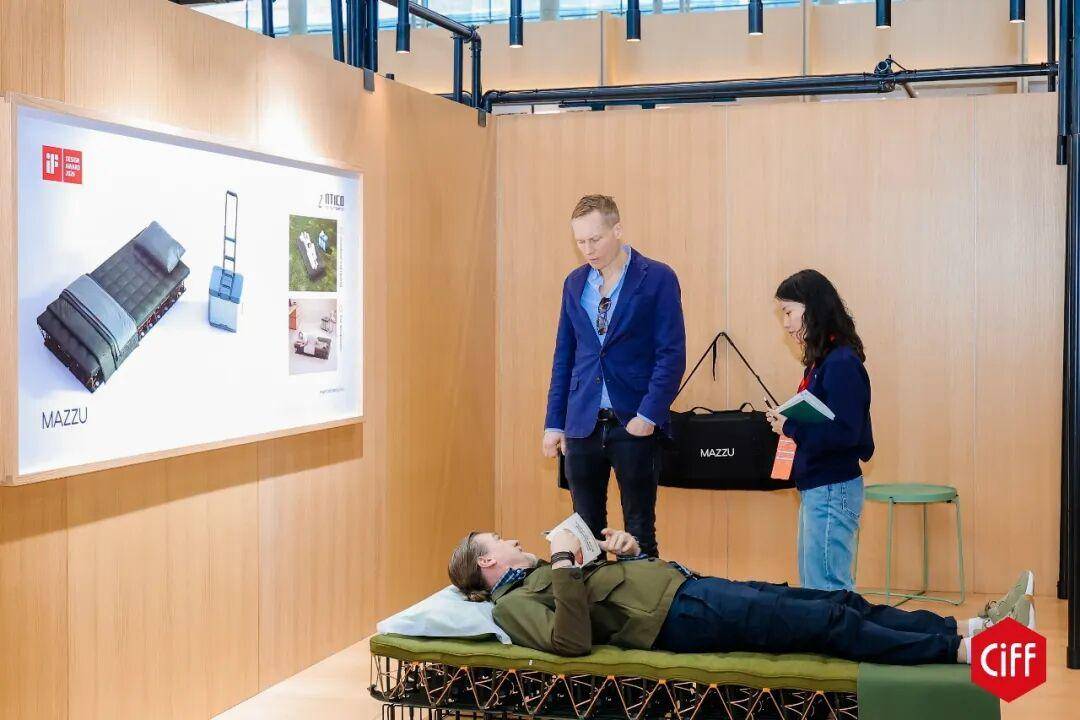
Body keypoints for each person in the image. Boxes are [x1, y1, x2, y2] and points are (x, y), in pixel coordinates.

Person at [447, 528, 1035, 666]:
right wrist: (566, 562)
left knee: (838, 602)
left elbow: (593, 592)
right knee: (824, 624)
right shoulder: (510, 606)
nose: (515, 540)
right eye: (502, 542)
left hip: (687, 587)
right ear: (487, 562)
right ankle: (969, 654)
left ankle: (966, 629)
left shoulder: (544, 574)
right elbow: (571, 641)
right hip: (676, 618)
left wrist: (623, 550)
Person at [542, 195, 686, 558]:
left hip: (633, 422)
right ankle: (594, 597)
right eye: (580, 241)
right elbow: (564, 357)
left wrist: (648, 416)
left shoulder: (657, 277)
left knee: (639, 533)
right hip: (582, 425)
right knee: (585, 534)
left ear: (617, 230)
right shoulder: (574, 283)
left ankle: (644, 596)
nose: (588, 250)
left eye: (595, 239)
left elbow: (671, 355)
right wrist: (554, 423)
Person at [764, 270, 873, 591]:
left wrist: (791, 426)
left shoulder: (841, 363)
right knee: (817, 587)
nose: (786, 324)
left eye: (789, 313)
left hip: (832, 487)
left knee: (828, 590)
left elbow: (845, 433)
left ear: (812, 308)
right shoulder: (823, 363)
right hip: (820, 487)